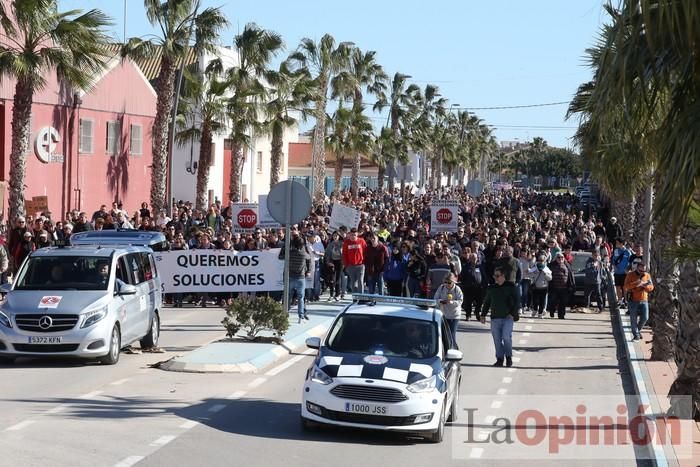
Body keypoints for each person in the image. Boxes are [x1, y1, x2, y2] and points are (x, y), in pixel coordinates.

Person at [480, 267, 519, 367]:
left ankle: (509, 357)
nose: (495, 278)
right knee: (497, 340)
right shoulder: (492, 288)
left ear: (503, 276)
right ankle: (500, 359)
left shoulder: (511, 287)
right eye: (494, 276)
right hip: (495, 318)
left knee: (506, 337)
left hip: (507, 317)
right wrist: (483, 315)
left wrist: (512, 313)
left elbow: (517, 301)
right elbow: (487, 302)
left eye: (497, 276)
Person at [280, 234, 312, 323]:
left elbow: (280, 257)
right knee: (301, 297)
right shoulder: (303, 253)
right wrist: (308, 270)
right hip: (300, 278)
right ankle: (300, 316)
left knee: (287, 296)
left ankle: (285, 314)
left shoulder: (289, 252)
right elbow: (309, 258)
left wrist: (285, 248)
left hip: (290, 276)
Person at [624, 260, 654, 341]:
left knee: (645, 317)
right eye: (640, 270)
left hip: (644, 299)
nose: (642, 272)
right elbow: (626, 286)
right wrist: (636, 283)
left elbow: (651, 287)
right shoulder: (630, 275)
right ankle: (636, 335)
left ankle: (637, 330)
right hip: (633, 300)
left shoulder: (647, 275)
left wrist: (645, 286)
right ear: (637, 268)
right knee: (633, 318)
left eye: (643, 270)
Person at [434, 273, 463, 345]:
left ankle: (454, 350)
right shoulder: (441, 287)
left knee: (452, 335)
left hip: (454, 315)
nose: (447, 284)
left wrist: (452, 302)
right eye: (445, 282)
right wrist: (441, 301)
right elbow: (435, 299)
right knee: (444, 335)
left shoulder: (457, 289)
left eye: (449, 282)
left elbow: (460, 301)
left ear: (453, 282)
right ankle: (445, 350)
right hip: (444, 315)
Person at [548, 252, 575, 319]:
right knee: (553, 301)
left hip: (564, 288)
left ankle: (561, 315)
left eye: (562, 257)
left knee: (563, 302)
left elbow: (570, 276)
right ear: (556, 258)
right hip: (554, 287)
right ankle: (552, 310)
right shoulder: (551, 265)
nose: (560, 259)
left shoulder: (567, 265)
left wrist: (571, 286)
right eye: (559, 257)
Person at [341, 228, 366, 294]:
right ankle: (355, 297)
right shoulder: (346, 242)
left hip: (360, 265)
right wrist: (346, 265)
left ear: (357, 234)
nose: (353, 236)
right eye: (352, 235)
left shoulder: (361, 241)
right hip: (351, 266)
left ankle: (361, 297)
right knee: (353, 282)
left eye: (354, 235)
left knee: (360, 281)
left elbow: (365, 252)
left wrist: (364, 262)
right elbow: (344, 254)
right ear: (349, 235)